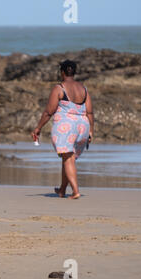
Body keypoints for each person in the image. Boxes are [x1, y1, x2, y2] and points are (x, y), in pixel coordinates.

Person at [31, 60, 94, 199]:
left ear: (62, 72)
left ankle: (76, 191)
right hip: (83, 126)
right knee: (68, 158)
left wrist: (38, 127)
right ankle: (62, 190)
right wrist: (91, 131)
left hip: (66, 126)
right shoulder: (83, 88)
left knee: (68, 158)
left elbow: (49, 111)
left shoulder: (59, 88)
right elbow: (89, 112)